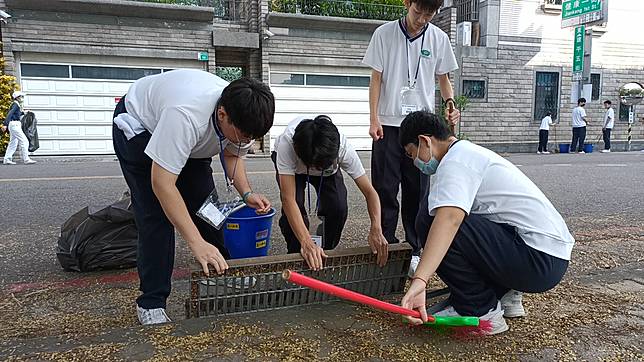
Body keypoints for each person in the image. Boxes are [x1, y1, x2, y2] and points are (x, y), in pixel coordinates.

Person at [111, 69, 275, 325]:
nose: (248, 141)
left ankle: (220, 269)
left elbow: (233, 155)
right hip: (139, 125)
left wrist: (247, 193)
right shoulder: (186, 116)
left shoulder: (239, 112)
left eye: (253, 137)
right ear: (223, 115)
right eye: (245, 135)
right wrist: (195, 242)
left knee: (208, 206)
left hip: (190, 141)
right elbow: (162, 183)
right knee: (156, 216)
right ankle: (151, 302)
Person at [399, 111, 574, 335]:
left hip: (537, 260)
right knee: (450, 213)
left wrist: (420, 280)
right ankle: (507, 293)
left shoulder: (456, 162)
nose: (415, 163)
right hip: (548, 256)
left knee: (431, 218)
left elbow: (449, 221)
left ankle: (480, 309)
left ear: (425, 141)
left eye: (411, 153)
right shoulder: (469, 154)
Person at [362, 0, 460, 275]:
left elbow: (443, 78)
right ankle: (388, 245)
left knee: (418, 191)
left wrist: (450, 104)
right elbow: (376, 79)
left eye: (429, 14)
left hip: (420, 129)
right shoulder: (384, 34)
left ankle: (415, 249)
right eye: (418, 12)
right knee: (385, 187)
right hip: (388, 124)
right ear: (407, 3)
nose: (422, 19)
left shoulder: (438, 38)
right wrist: (373, 118)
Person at [272, 115, 389, 270]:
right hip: (295, 169)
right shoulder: (287, 144)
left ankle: (325, 253)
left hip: (328, 173)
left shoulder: (341, 147)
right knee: (295, 207)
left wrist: (376, 228)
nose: (315, 169)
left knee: (337, 206)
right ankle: (298, 252)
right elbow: (289, 200)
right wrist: (306, 242)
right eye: (313, 165)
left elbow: (369, 192)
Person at [2, 91, 36, 165]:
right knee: (24, 141)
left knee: (13, 143)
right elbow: (10, 114)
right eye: (21, 96)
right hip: (15, 125)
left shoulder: (16, 104)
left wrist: (24, 112)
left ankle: (7, 159)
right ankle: (26, 159)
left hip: (14, 124)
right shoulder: (15, 104)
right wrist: (5, 124)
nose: (22, 98)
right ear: (17, 97)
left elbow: (16, 114)